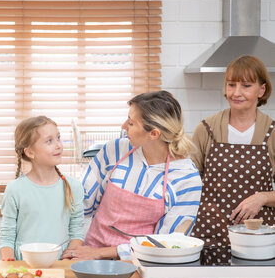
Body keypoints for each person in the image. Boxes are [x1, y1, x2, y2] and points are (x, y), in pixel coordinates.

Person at [63, 91, 203, 260]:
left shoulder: (186, 178)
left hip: (139, 264)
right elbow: (82, 205)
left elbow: (166, 244)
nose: (123, 127)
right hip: (87, 253)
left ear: (154, 134)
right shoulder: (114, 151)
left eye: (131, 123)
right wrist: (76, 246)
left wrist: (101, 253)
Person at [190, 55, 275, 247]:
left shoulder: (272, 132)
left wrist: (262, 197)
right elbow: (188, 183)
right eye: (231, 84)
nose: (236, 93)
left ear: (261, 90)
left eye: (246, 86)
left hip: (258, 237)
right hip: (209, 231)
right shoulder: (206, 129)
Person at [0, 116, 84, 261]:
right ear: (30, 152)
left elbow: (77, 233)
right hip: (24, 265)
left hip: (59, 263)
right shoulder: (15, 189)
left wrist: (67, 259)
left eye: (58, 138)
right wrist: (8, 260)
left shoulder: (73, 187)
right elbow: (7, 236)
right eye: (49, 141)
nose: (58, 145)